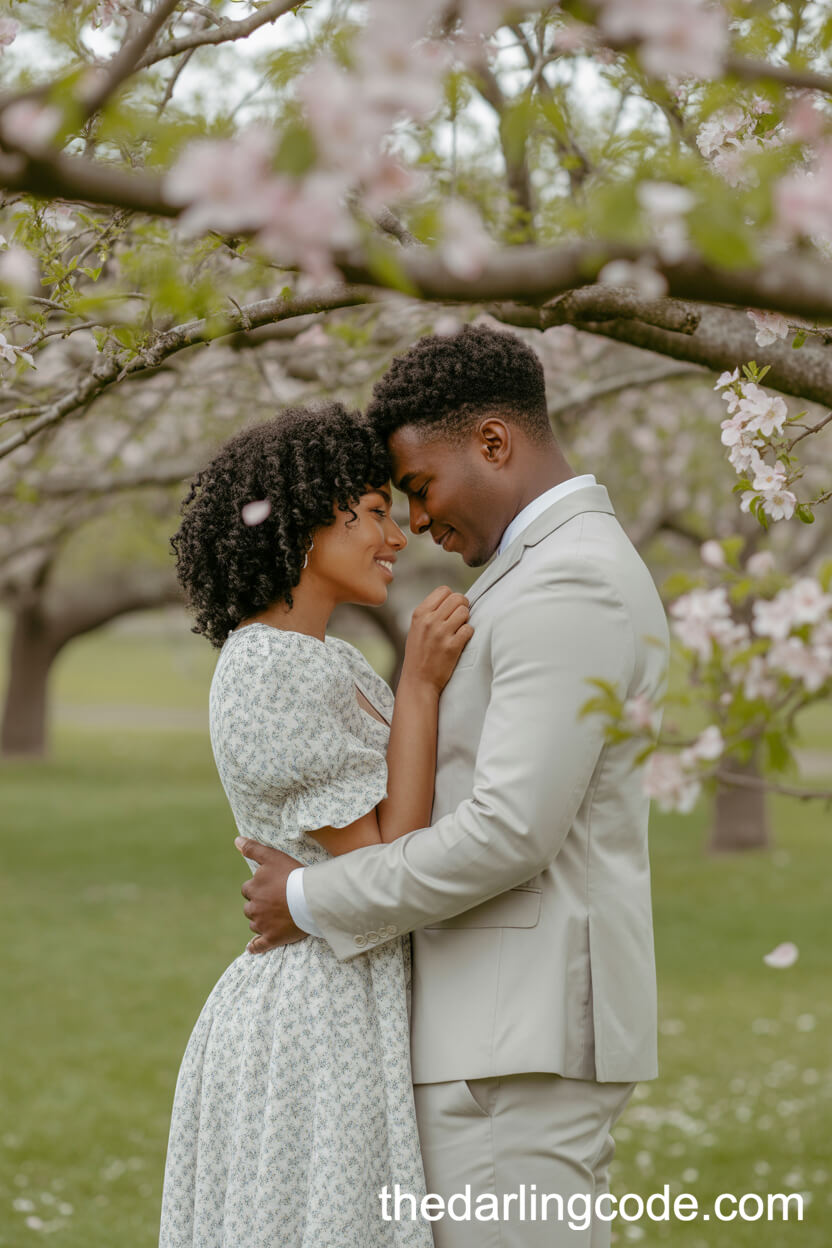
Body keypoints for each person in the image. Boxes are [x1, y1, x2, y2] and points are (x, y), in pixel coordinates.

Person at [236, 325, 671, 1248]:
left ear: (494, 442)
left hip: (516, 1036)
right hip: (491, 1033)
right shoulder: (539, 574)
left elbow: (509, 835)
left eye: (422, 489)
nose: (419, 523)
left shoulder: (569, 584)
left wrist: (307, 895)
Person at [159, 402, 473, 1247]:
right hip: (318, 1011)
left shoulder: (323, 658)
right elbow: (383, 864)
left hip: (337, 985)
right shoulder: (273, 669)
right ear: (303, 525)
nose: (396, 534)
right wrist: (418, 687)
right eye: (372, 512)